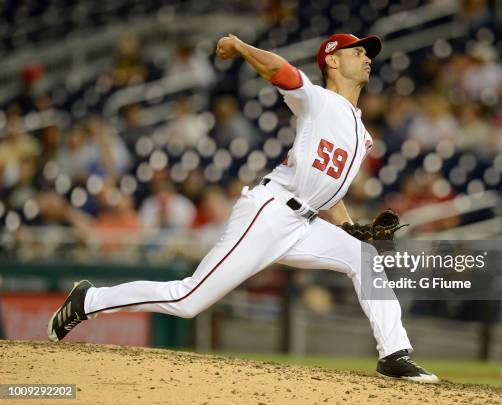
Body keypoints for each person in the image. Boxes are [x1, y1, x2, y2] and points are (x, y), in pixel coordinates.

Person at [47, 33, 439, 383]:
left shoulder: (361, 132)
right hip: (270, 214)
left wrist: (350, 227)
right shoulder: (318, 101)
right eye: (357, 51)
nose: (367, 57)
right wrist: (238, 46)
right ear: (332, 61)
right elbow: (281, 71)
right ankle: (90, 300)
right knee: (188, 300)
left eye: (367, 53)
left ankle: (394, 355)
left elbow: (329, 191)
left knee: (364, 256)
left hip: (302, 223)